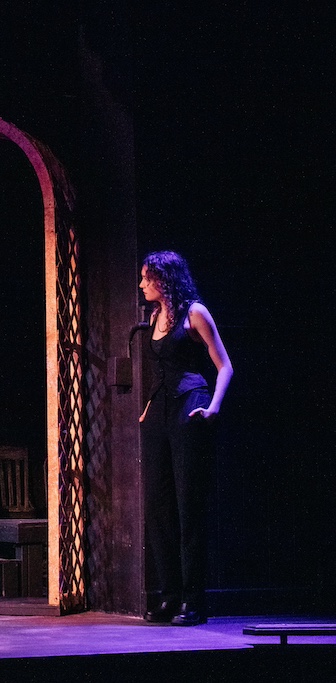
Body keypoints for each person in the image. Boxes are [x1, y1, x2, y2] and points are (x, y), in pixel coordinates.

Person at [139, 251, 233, 626]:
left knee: (186, 507)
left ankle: (193, 601)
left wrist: (213, 407)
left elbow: (224, 364)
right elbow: (162, 371)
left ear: (164, 278)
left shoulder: (195, 313)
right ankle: (169, 596)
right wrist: (148, 406)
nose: (142, 284)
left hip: (190, 406)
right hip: (160, 412)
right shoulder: (154, 317)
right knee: (158, 509)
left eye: (147, 278)